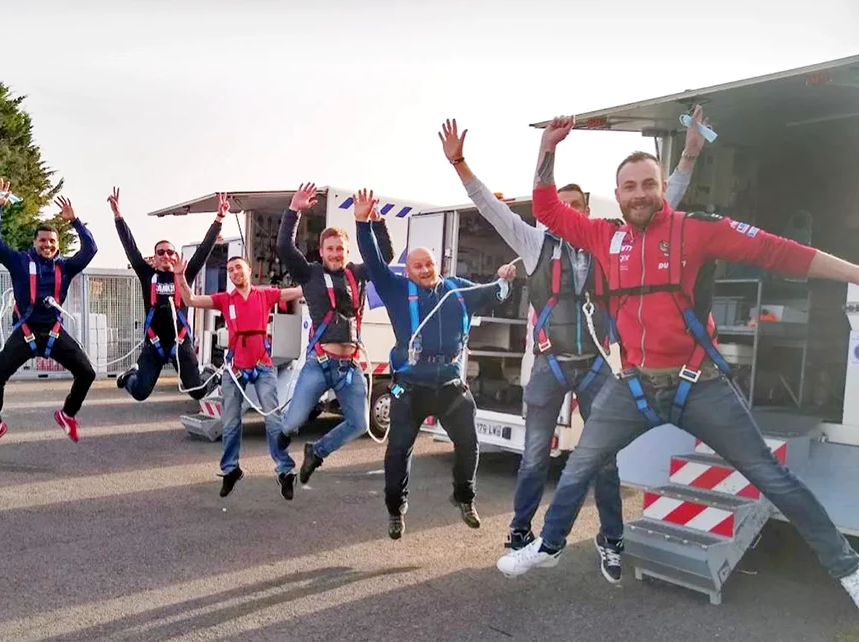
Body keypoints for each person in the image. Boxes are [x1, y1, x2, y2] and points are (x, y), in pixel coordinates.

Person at [498, 114, 859, 611]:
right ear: (618, 194)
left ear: (664, 188)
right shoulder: (605, 237)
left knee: (771, 477)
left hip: (700, 384)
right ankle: (550, 547)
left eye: (649, 184)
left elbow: (782, 253)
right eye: (629, 187)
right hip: (636, 385)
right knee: (582, 462)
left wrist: (855, 274)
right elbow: (547, 208)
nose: (639, 193)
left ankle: (847, 569)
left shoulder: (697, 230)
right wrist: (548, 148)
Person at [438, 112, 703, 583]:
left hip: (599, 366)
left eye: (577, 205)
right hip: (550, 366)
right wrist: (460, 163)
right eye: (562, 204)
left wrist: (687, 155)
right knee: (534, 458)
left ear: (587, 209)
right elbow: (489, 207)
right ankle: (520, 535)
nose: (570, 211)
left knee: (604, 459)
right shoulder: (535, 243)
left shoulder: (610, 240)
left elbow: (667, 201)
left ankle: (611, 540)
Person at [354, 188, 517, 539]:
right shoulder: (396, 290)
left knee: (469, 443)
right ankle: (396, 509)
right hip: (410, 387)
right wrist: (361, 222)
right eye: (418, 266)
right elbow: (374, 262)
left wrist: (506, 281)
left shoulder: (457, 290)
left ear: (437, 265)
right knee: (398, 451)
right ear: (409, 271)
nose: (426, 270)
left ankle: (464, 497)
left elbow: (495, 294)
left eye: (429, 264)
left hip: (449, 386)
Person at [273, 182, 395, 483]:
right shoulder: (310, 273)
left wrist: (376, 221)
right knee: (292, 423)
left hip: (350, 365)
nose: (336, 254)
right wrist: (293, 211)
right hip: (320, 363)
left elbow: (386, 258)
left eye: (340, 249)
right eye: (330, 249)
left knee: (357, 423)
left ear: (347, 251)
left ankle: (317, 451)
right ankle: (284, 437)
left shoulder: (356, 273)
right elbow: (284, 248)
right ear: (321, 251)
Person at [0, 178, 98, 455]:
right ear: (35, 242)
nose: (47, 244)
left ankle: (67, 414)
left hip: (54, 332)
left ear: (57, 245)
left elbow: (90, 250)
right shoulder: (20, 261)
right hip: (25, 332)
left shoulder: (66, 267)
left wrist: (75, 221)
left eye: (52, 241)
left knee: (87, 372)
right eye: (43, 240)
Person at [175, 252, 304, 499]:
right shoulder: (225, 299)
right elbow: (190, 300)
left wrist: (315, 277)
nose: (234, 273)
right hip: (235, 369)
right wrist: (180, 276)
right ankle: (231, 470)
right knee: (230, 423)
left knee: (273, 420)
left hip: (262, 366)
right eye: (230, 270)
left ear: (249, 271)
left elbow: (297, 292)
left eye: (238, 268)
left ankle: (285, 471)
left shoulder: (265, 295)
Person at [112, 187, 225, 401]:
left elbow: (203, 251)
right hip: (153, 344)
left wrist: (218, 218)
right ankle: (129, 376)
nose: (166, 255)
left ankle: (211, 372)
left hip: (180, 342)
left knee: (198, 392)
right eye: (160, 252)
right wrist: (118, 217)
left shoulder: (185, 275)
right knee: (140, 393)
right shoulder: (147, 275)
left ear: (176, 256)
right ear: (154, 258)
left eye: (170, 252)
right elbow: (130, 248)